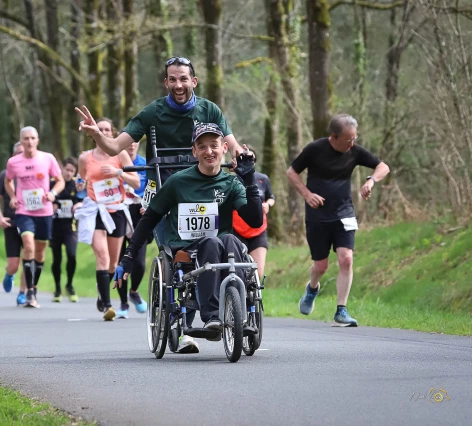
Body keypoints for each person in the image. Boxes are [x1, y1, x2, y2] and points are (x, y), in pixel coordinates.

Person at [114, 122, 263, 353]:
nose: (209, 152)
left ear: (224, 148)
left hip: (224, 248)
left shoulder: (231, 183)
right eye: (202, 147)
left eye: (214, 146)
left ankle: (240, 314)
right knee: (212, 242)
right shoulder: (178, 182)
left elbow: (254, 220)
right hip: (187, 248)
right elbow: (150, 217)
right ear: (194, 152)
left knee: (232, 241)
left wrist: (250, 179)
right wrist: (129, 256)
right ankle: (212, 316)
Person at [76, 56, 243, 203]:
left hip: (200, 181)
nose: (178, 85)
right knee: (147, 230)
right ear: (166, 83)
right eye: (172, 80)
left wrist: (241, 157)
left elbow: (234, 146)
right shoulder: (152, 112)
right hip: (160, 184)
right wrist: (97, 134)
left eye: (183, 79)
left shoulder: (209, 109)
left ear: (194, 81)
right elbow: (114, 148)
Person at [287, 114, 390, 327]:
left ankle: (341, 310)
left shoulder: (354, 151)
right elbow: (292, 172)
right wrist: (307, 194)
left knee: (346, 258)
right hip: (317, 216)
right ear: (333, 136)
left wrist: (371, 180)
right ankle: (312, 288)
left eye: (354, 138)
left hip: (344, 213)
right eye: (348, 139)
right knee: (321, 266)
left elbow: (383, 166)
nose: (352, 143)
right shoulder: (315, 149)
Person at [75, 118, 140, 321]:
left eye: (106, 129)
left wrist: (118, 172)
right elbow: (81, 178)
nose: (103, 132)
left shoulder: (120, 154)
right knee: (102, 257)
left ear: (111, 134)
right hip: (96, 211)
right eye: (99, 129)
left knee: (113, 263)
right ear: (92, 134)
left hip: (117, 210)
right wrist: (78, 184)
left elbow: (136, 182)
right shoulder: (85, 157)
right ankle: (107, 305)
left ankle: (101, 290)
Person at [5, 127, 64, 308]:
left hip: (44, 211)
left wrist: (53, 193)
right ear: (21, 142)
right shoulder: (13, 162)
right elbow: (8, 180)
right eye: (26, 139)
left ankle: (34, 288)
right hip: (24, 211)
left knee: (40, 252)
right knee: (28, 245)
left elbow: (60, 180)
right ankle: (29, 290)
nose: (29, 142)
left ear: (37, 140)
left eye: (32, 138)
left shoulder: (47, 158)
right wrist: (13, 196)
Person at [232, 146, 275, 280]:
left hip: (258, 230)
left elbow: (271, 197)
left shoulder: (263, 178)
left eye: (251, 160)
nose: (249, 163)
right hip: (237, 230)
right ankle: (239, 298)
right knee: (239, 272)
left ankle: (253, 299)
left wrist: (267, 204)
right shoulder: (232, 179)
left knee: (257, 273)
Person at [116, 139, 149, 318]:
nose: (131, 145)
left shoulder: (144, 164)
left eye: (135, 142)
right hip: (119, 209)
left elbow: (152, 187)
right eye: (127, 141)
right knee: (121, 260)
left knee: (139, 262)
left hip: (139, 211)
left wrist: (149, 205)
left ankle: (134, 291)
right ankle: (122, 304)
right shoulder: (113, 161)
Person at [0, 142, 28, 305]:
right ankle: (9, 274)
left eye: (24, 153)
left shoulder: (34, 171)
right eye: (18, 153)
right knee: (14, 264)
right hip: (11, 222)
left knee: (29, 258)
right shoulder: (5, 175)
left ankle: (23, 292)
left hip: (30, 220)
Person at [50, 157, 81, 303]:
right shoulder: (53, 183)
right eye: (66, 170)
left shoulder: (76, 185)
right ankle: (57, 288)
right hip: (55, 226)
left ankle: (69, 284)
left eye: (72, 171)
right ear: (61, 168)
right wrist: (53, 205)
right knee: (57, 259)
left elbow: (84, 200)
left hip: (71, 227)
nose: (68, 173)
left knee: (72, 255)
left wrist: (78, 206)